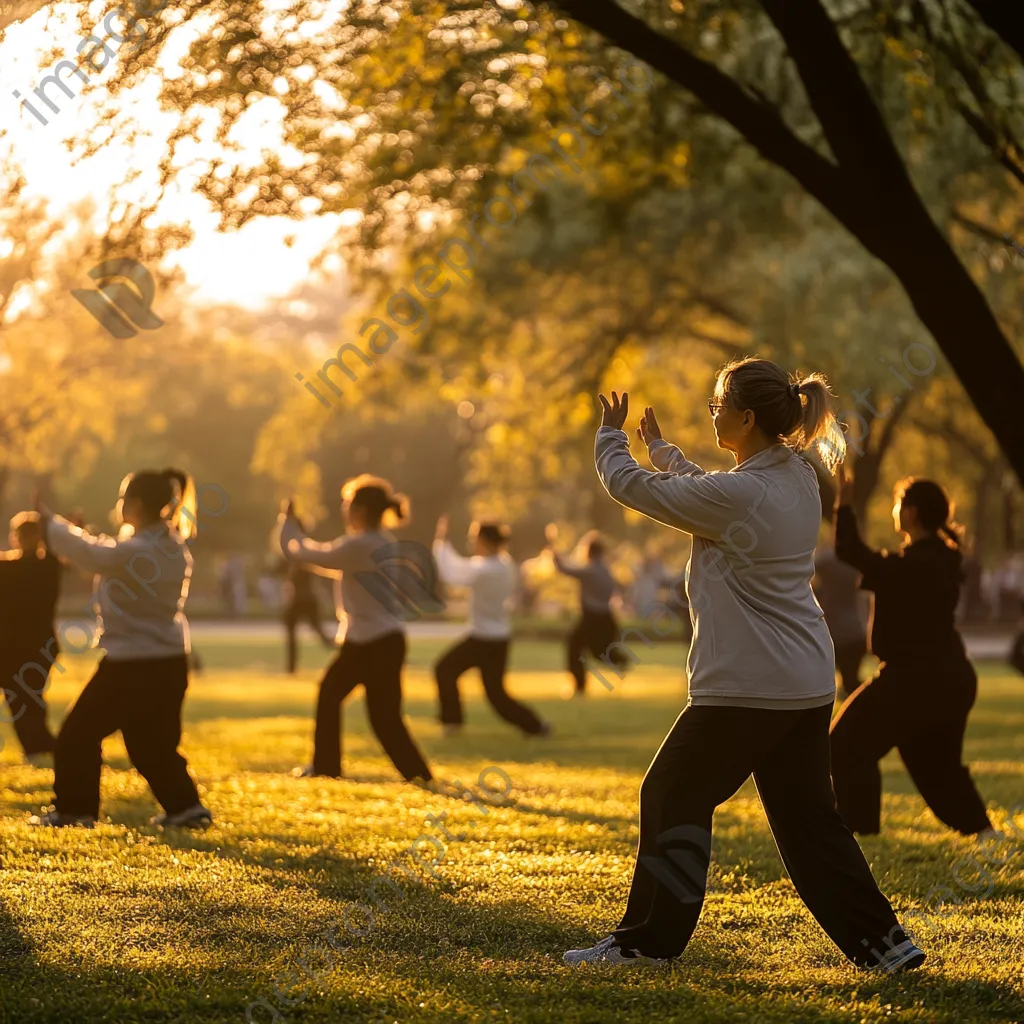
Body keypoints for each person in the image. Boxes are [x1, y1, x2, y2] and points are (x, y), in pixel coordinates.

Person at [564, 358, 924, 973]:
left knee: (671, 793)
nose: (712, 412)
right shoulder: (795, 477)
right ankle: (884, 944)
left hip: (748, 686)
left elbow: (643, 492)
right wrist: (667, 452)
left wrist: (610, 441)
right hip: (804, 683)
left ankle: (647, 944)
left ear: (747, 416)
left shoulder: (742, 493)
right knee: (809, 822)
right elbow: (710, 492)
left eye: (717, 404)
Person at [28, 469, 211, 829]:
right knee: (150, 744)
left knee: (77, 735)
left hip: (133, 665)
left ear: (136, 504)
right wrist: (71, 534)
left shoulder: (139, 549)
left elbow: (95, 553)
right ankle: (186, 808)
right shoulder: (170, 545)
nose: (120, 505)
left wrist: (52, 523)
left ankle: (73, 811)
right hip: (168, 662)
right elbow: (102, 552)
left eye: (123, 497)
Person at [829, 474, 995, 838]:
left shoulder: (920, 564)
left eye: (899, 503)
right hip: (946, 677)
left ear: (912, 513)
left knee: (845, 743)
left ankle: (857, 832)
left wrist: (844, 502)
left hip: (917, 679)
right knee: (938, 768)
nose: (895, 510)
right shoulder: (935, 560)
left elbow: (851, 552)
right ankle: (984, 832)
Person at [277, 475, 433, 783]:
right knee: (384, 717)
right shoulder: (381, 542)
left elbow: (300, 554)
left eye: (348, 504)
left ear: (360, 510)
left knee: (335, 697)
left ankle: (326, 768)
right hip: (385, 640)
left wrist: (287, 523)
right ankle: (418, 774)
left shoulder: (359, 545)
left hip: (369, 643)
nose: (344, 509)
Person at [432, 515, 549, 738]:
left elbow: (453, 573)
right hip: (497, 638)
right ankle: (536, 726)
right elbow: (461, 568)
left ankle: (453, 722)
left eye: (474, 537)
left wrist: (441, 541)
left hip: (483, 639)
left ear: (483, 540)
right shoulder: (504, 565)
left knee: (446, 671)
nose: (471, 542)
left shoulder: (486, 570)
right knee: (494, 694)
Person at [0, 512, 63, 765]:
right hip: (11, 647)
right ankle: (38, 745)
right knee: (21, 698)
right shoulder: (10, 567)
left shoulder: (47, 566)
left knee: (30, 697)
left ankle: (40, 745)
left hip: (36, 646)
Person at [546, 525, 627, 696]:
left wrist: (552, 550)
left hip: (593, 619)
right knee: (598, 652)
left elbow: (564, 569)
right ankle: (621, 661)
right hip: (606, 620)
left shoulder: (591, 571)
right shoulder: (605, 570)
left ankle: (580, 686)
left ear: (589, 552)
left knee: (575, 647)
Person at [277, 515, 334, 674]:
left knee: (320, 636)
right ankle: (291, 668)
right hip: (301, 599)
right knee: (298, 633)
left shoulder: (301, 549)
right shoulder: (299, 548)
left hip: (306, 599)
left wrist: (287, 523)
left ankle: (347, 650)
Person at [812, 542, 867, 698]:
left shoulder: (827, 565)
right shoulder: (853, 566)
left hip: (836, 635)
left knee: (842, 685)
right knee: (850, 683)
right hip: (855, 632)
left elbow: (814, 562)